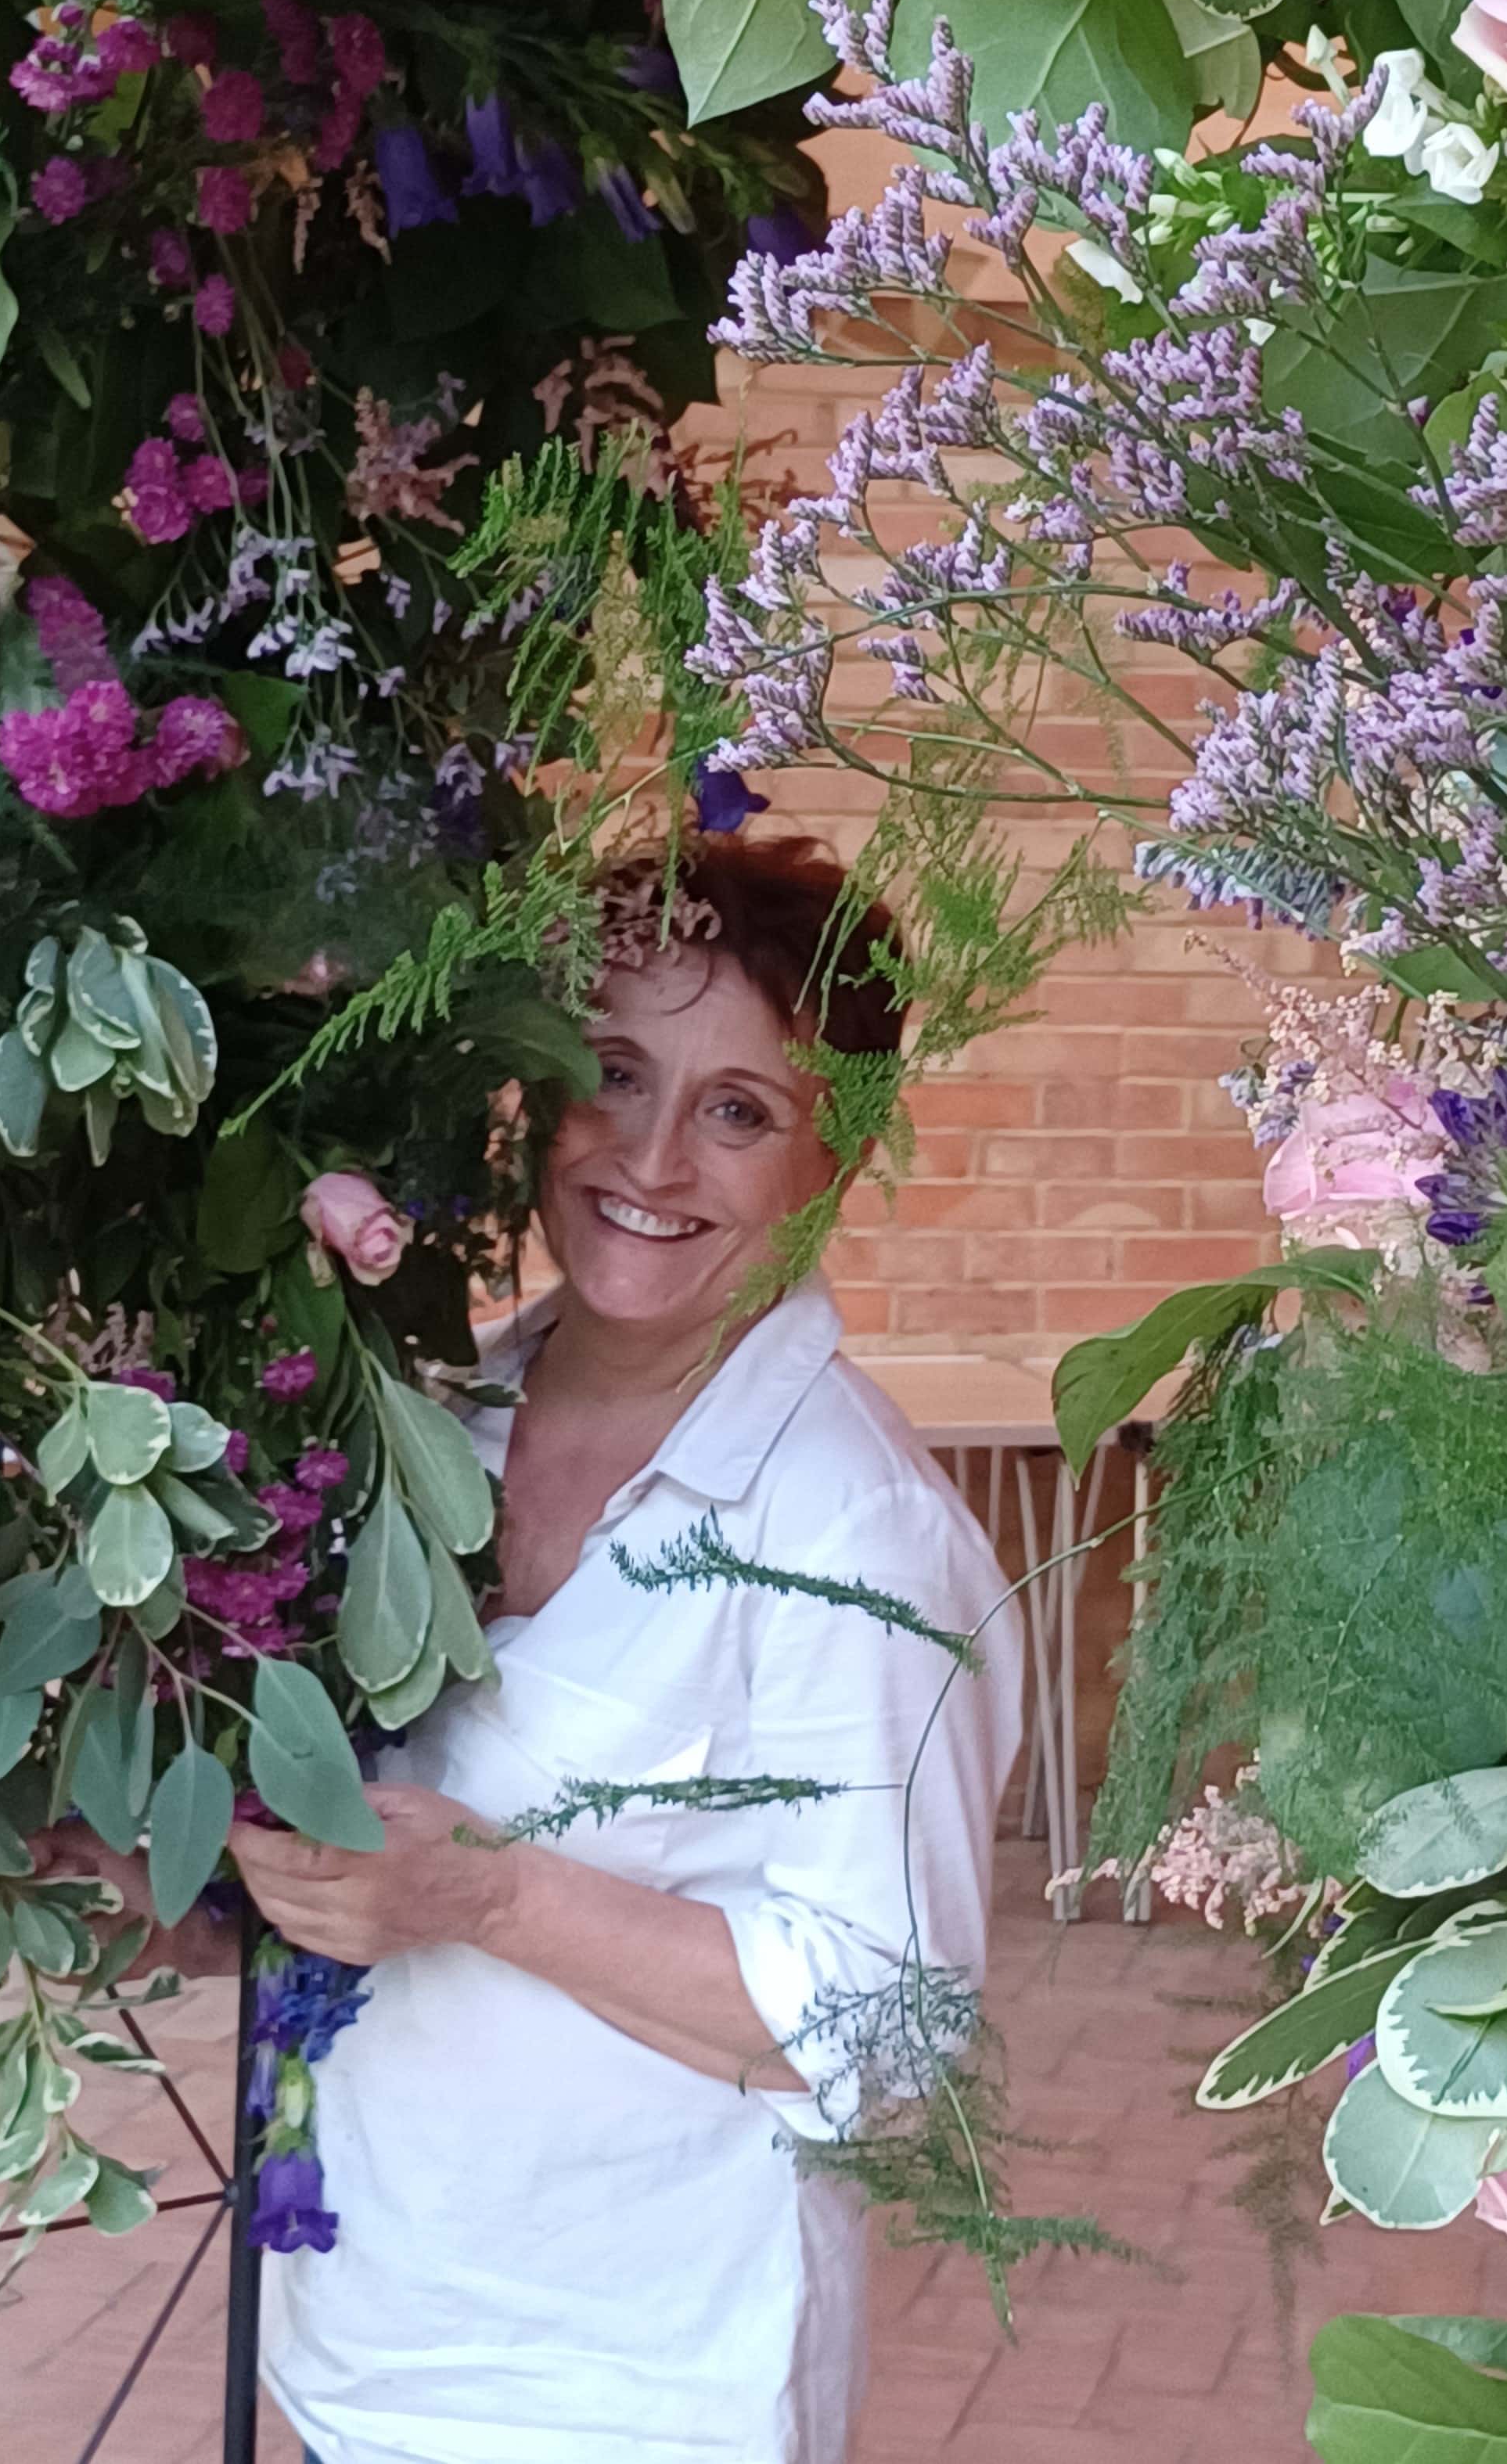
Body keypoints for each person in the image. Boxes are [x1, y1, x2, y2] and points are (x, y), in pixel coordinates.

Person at [238, 845, 1020, 2464]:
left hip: (641, 2398)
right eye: (613, 1074)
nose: (653, 1155)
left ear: (836, 1150)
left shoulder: (854, 1532)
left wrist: (494, 1890)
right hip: (355, 2357)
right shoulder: (431, 1412)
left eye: (739, 1109)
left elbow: (890, 2036)